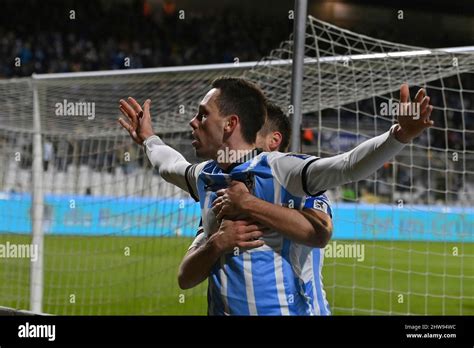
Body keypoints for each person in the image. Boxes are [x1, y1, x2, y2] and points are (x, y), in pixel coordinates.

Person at [118, 77, 433, 315]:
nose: (193, 122)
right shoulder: (205, 176)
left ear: (230, 124)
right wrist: (148, 138)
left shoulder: (281, 169)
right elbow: (169, 164)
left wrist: (398, 136)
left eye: (202, 115)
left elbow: (345, 166)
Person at [178, 102, 334, 315]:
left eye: (250, 135)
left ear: (274, 141)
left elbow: (320, 234)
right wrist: (217, 244)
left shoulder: (302, 190)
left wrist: (249, 204)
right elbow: (185, 278)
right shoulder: (223, 193)